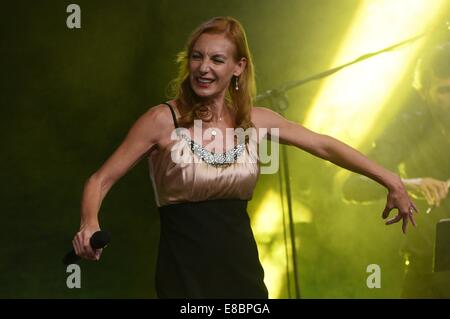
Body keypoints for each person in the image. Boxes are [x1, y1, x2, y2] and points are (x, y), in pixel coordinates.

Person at [71, 16, 417, 299]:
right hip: (185, 278)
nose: (203, 68)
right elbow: (99, 180)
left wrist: (389, 178)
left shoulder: (256, 121)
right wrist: (90, 222)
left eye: (217, 59)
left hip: (243, 277)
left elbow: (324, 145)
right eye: (197, 56)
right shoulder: (163, 120)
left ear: (238, 67)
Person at [343, 42, 450, 298]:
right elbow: (354, 184)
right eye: (444, 90)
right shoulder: (407, 127)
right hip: (429, 272)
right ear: (422, 91)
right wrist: (407, 184)